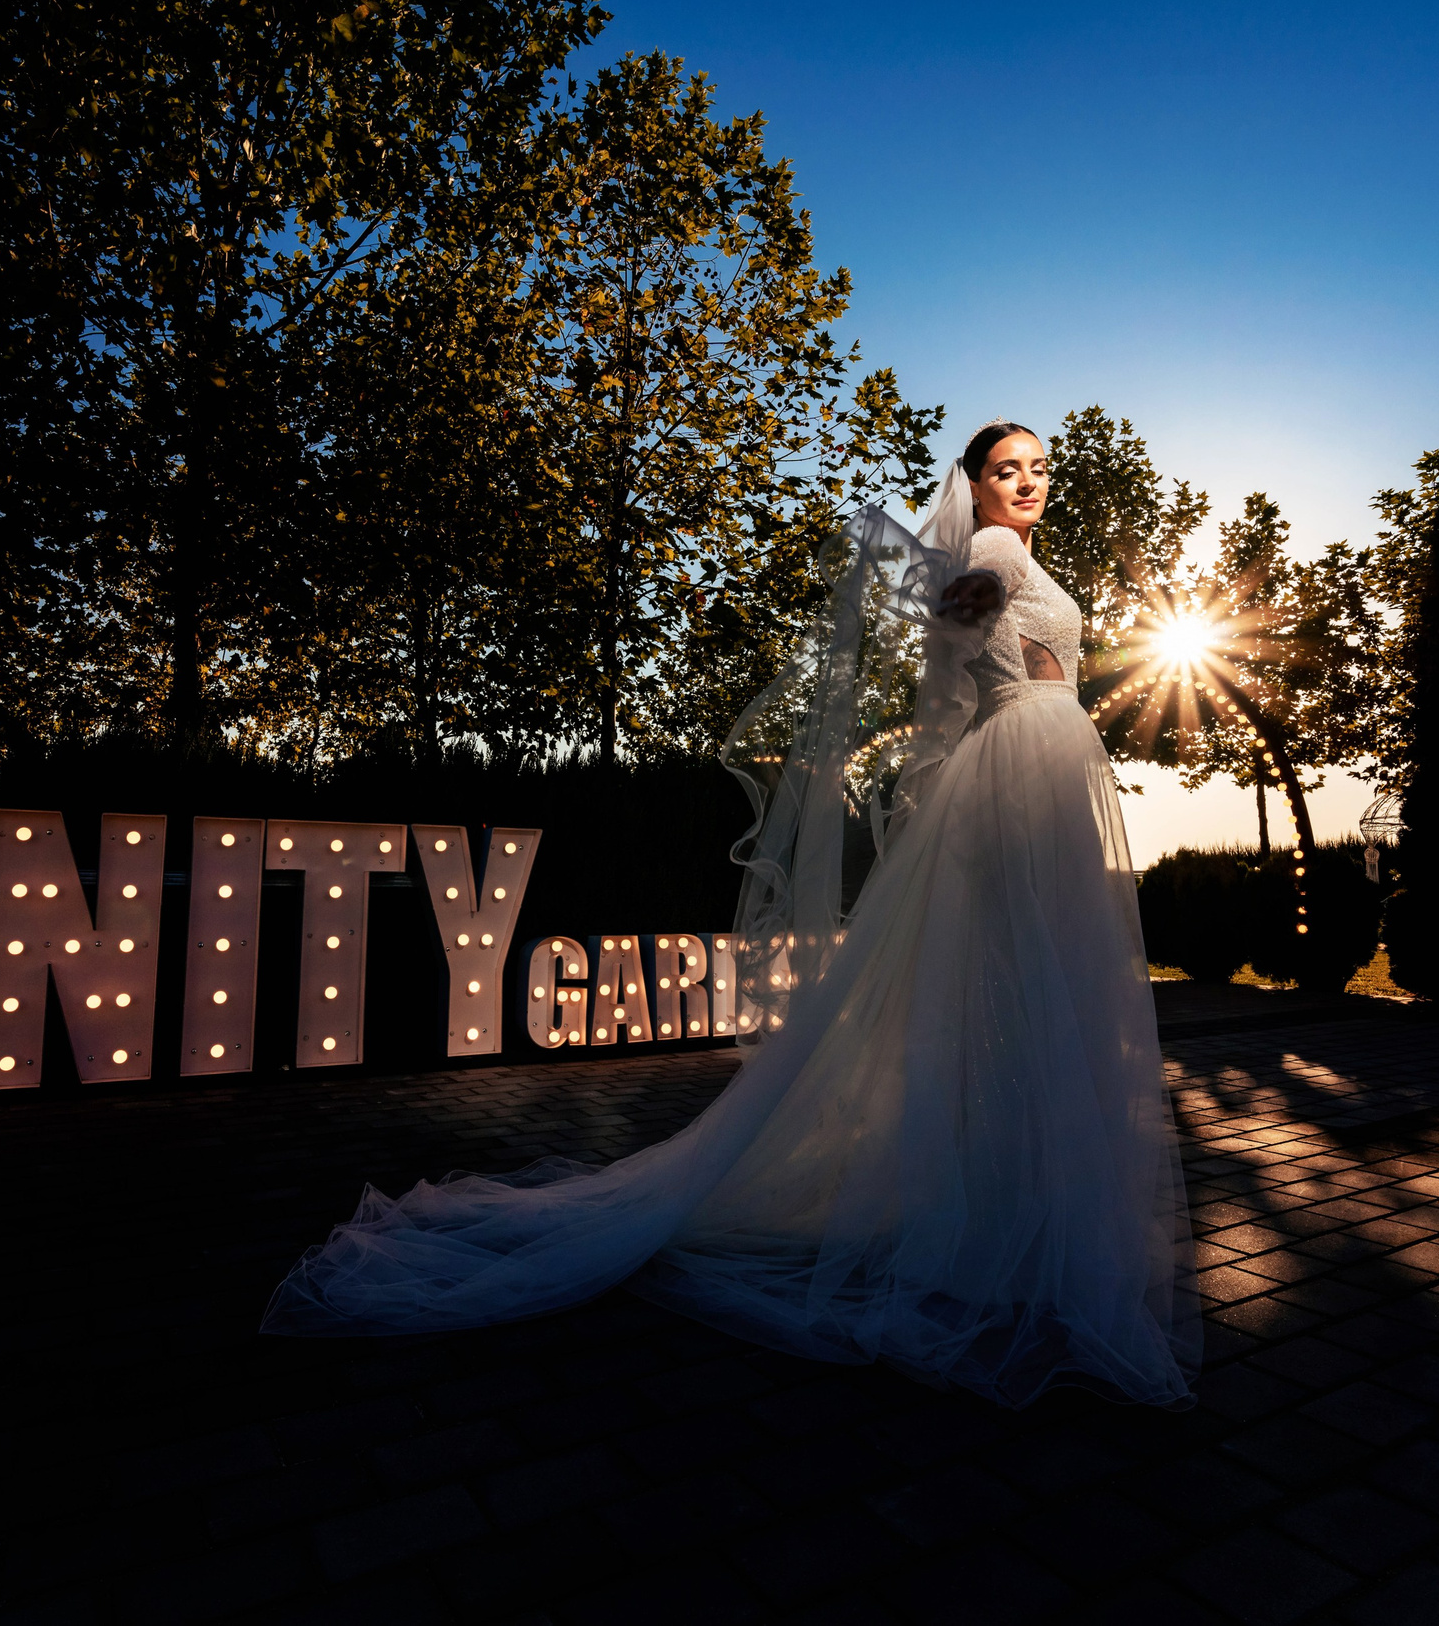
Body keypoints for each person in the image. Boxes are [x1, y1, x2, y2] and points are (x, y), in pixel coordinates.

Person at [262, 421, 1198, 1409]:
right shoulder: (988, 560)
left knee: (1025, 995)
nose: (1027, 482)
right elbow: (945, 696)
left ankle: (1013, 1215)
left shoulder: (1011, 564)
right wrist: (945, 795)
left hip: (1038, 775)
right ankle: (1017, 1225)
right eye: (1005, 469)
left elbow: (962, 687)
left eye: (1038, 467)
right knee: (1033, 993)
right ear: (971, 483)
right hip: (1018, 775)